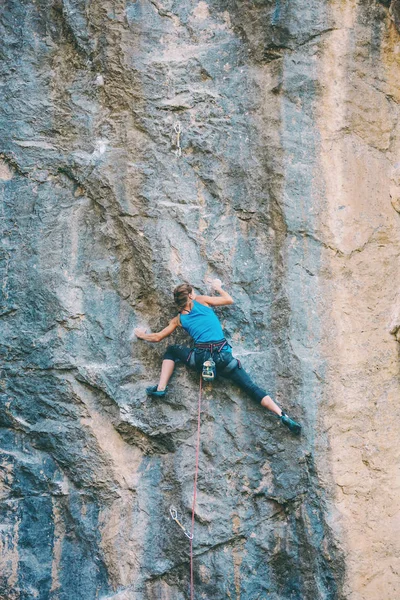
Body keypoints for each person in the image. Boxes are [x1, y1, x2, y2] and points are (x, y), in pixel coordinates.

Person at [134, 280, 301, 434]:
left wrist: (141, 335)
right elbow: (229, 300)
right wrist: (217, 287)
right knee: (251, 388)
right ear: (191, 295)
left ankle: (162, 388)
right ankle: (281, 414)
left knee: (172, 350)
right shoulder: (202, 301)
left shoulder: (178, 320)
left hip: (200, 358)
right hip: (224, 358)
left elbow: (157, 337)